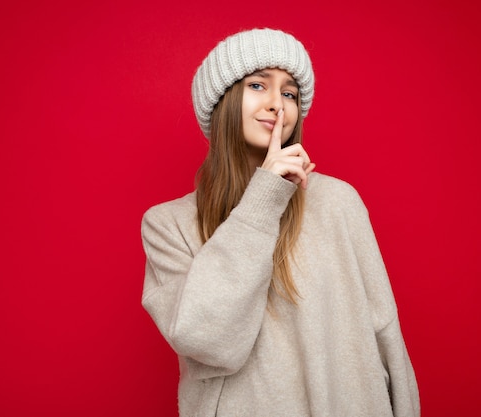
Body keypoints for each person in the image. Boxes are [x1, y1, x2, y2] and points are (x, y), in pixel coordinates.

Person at [140, 28, 420, 417]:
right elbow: (207, 341)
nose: (278, 104)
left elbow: (385, 332)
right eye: (258, 85)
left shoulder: (338, 202)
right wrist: (264, 197)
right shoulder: (168, 224)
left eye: (289, 93)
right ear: (222, 101)